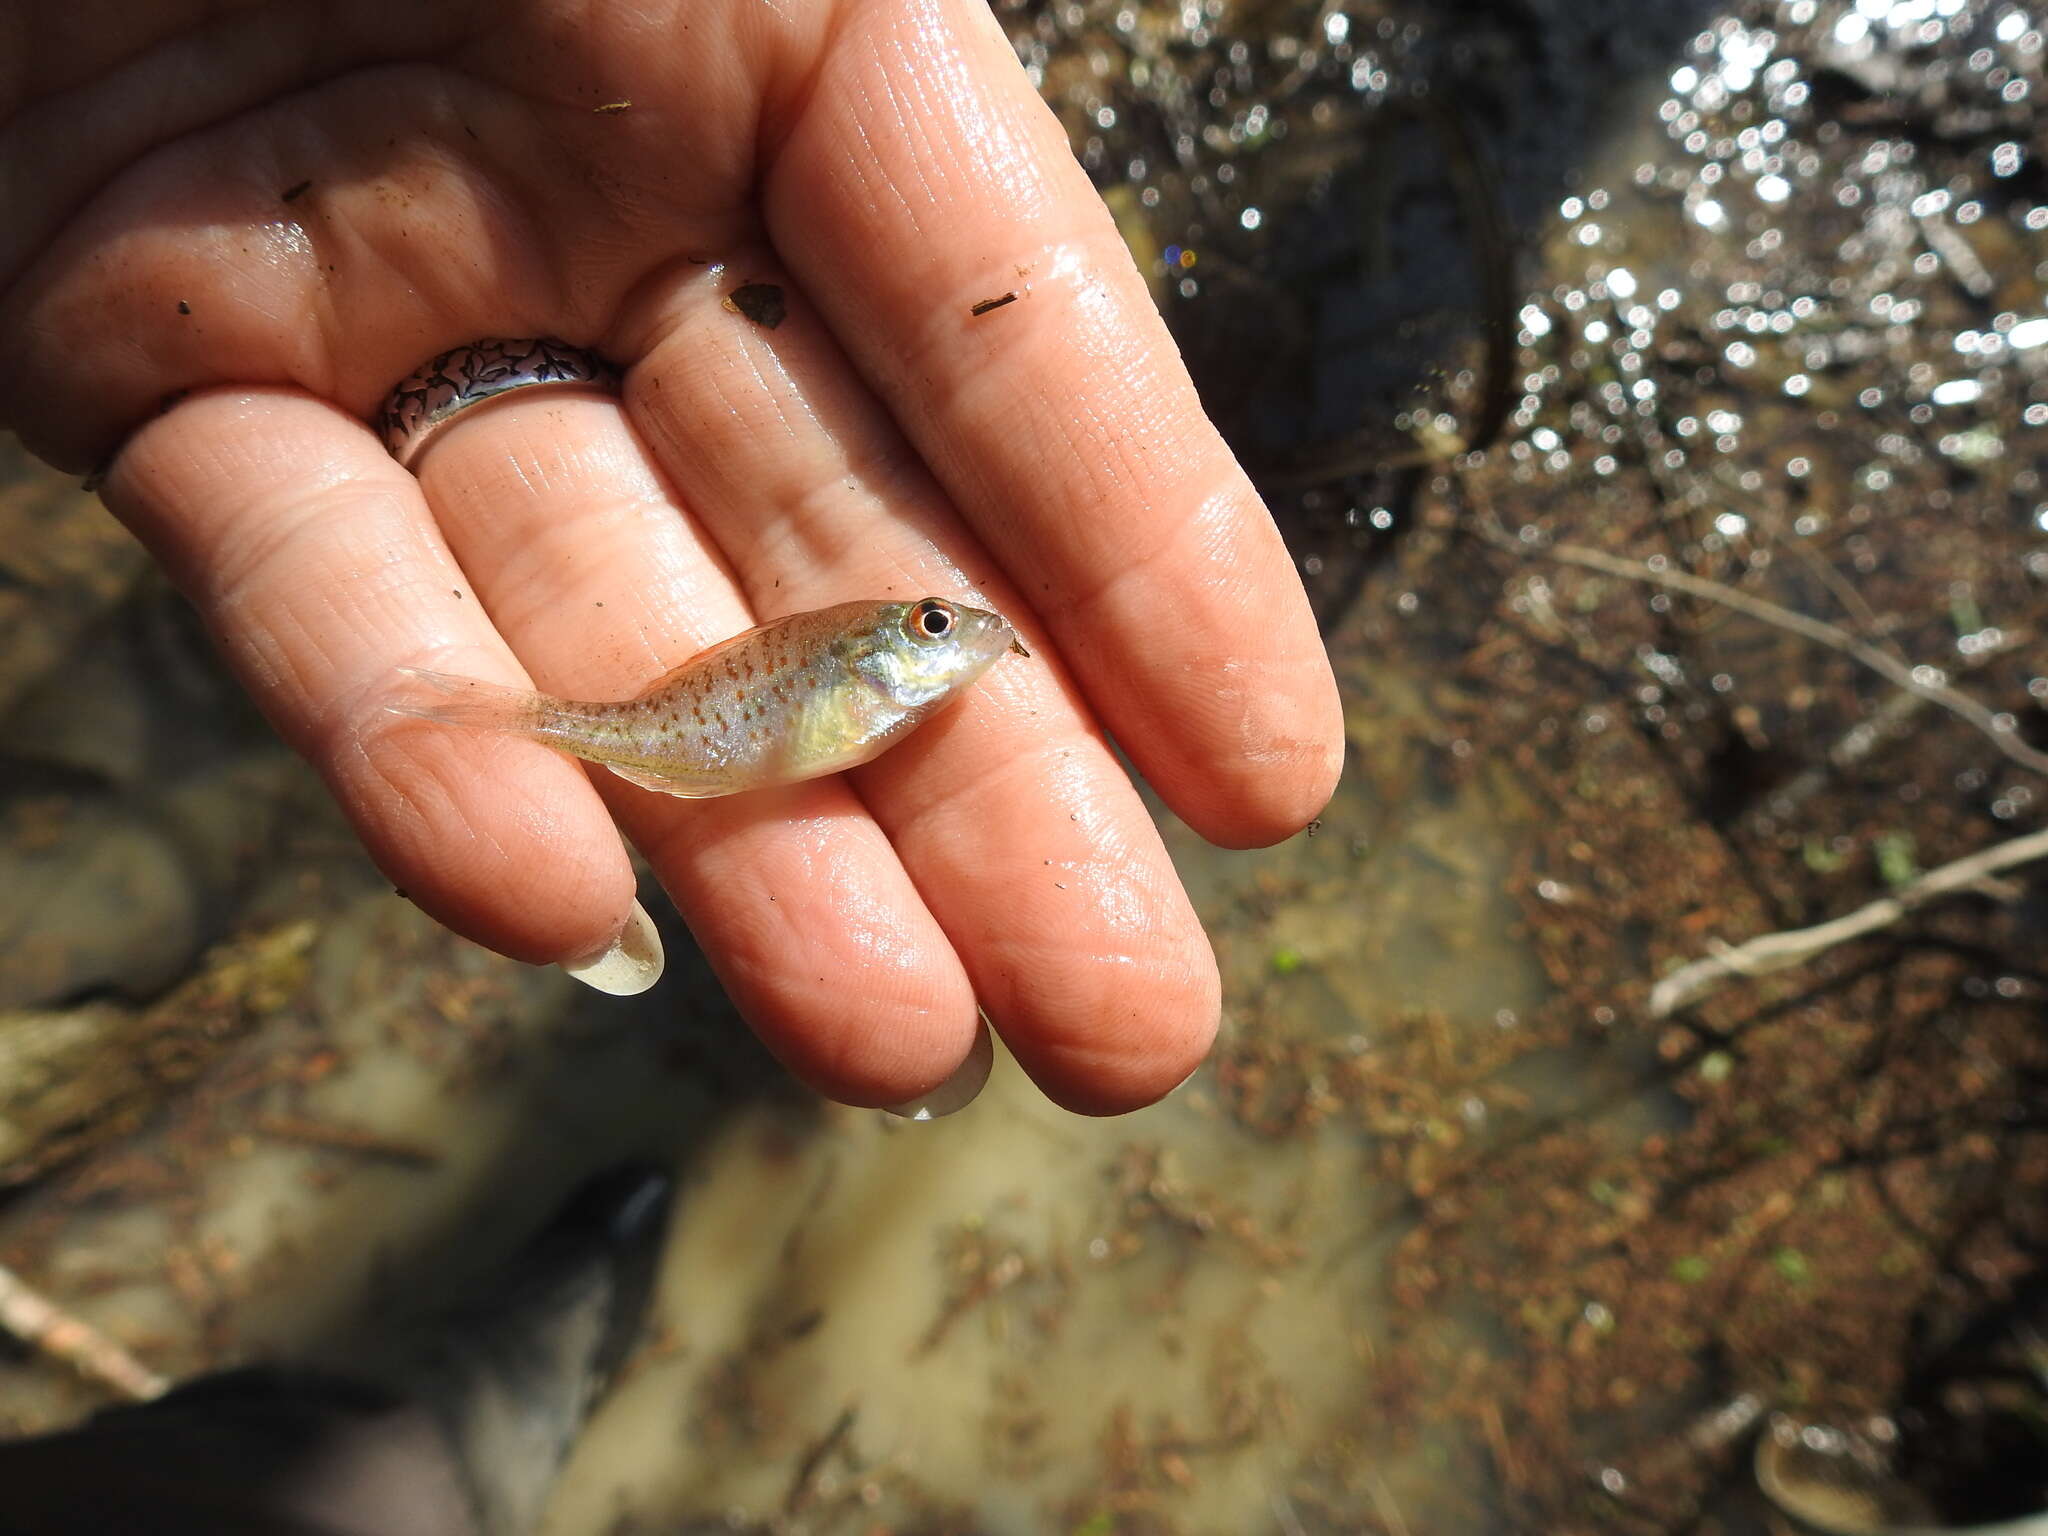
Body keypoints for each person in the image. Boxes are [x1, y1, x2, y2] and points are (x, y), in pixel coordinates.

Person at [0, 0, 1343, 1120]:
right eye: (932, 625)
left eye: (937, 624)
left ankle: (540, 732)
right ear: (897, 638)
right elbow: (800, 713)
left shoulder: (876, 675)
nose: (950, 632)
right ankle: (535, 733)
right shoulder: (868, 664)